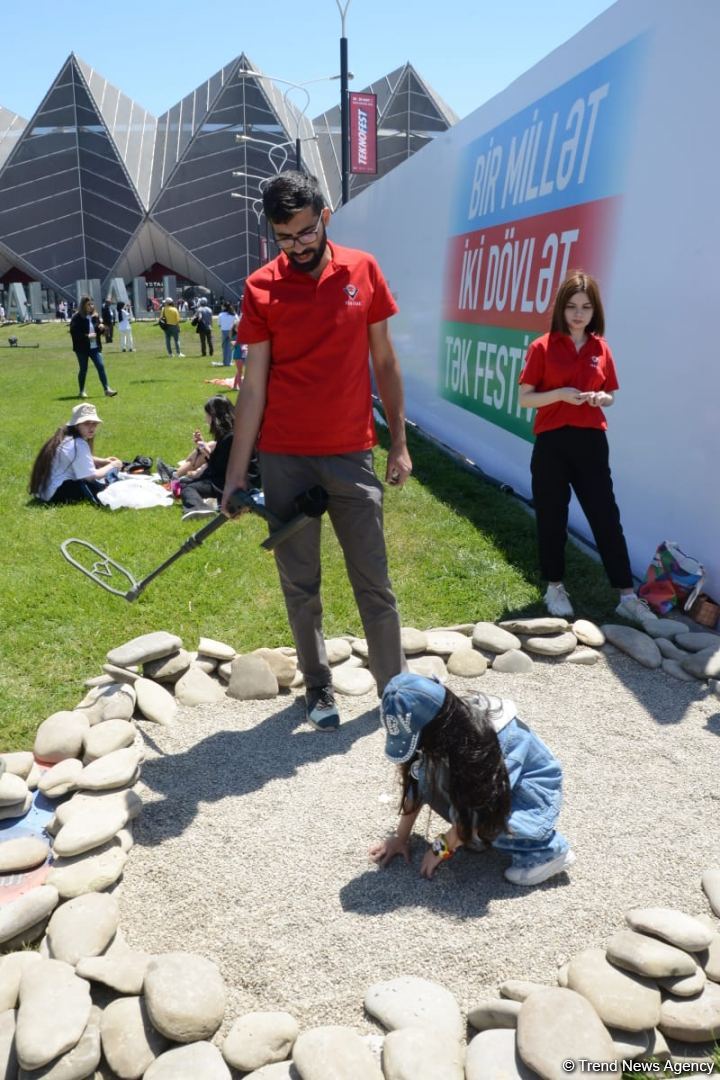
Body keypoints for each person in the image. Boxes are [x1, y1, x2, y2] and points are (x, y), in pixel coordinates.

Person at [222, 171, 412, 732]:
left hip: (352, 453)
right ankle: (318, 685)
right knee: (300, 584)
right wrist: (235, 475)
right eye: (285, 237)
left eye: (306, 232)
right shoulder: (260, 287)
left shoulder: (363, 270)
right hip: (285, 458)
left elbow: (385, 362)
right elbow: (253, 387)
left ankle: (395, 691)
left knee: (374, 582)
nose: (298, 246)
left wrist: (399, 444)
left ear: (325, 216)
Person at [518, 271, 656, 626]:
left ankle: (627, 596)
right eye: (572, 306)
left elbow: (611, 395)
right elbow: (525, 398)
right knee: (552, 516)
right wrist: (560, 394)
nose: (578, 314)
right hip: (552, 443)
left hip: (591, 443)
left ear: (595, 310)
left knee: (605, 516)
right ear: (560, 309)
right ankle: (554, 587)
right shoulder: (542, 346)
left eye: (586, 307)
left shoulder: (600, 348)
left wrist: (600, 398)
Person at [370, 674, 574, 887]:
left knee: (486, 823)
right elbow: (416, 779)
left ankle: (548, 852)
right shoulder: (448, 720)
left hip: (531, 795)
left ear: (434, 729)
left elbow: (482, 806)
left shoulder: (488, 741)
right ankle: (473, 835)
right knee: (426, 771)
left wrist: (441, 847)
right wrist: (400, 837)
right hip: (491, 784)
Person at [29, 403, 122, 505]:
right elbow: (91, 476)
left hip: (46, 491)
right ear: (77, 425)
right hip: (58, 493)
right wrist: (113, 465)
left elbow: (78, 457)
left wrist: (103, 461)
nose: (91, 427)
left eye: (94, 423)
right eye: (87, 423)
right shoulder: (78, 444)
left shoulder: (65, 437)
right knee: (107, 486)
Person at [180, 396, 237, 521]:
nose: (206, 419)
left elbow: (218, 468)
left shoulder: (229, 437)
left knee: (188, 488)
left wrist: (202, 471)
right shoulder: (231, 434)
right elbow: (220, 462)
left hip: (227, 483)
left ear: (214, 416)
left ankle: (198, 508)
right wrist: (203, 447)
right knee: (185, 483)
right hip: (227, 479)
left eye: (207, 415)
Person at [69, 297, 117, 398]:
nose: (91, 306)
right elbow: (74, 333)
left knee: (100, 366)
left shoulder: (95, 316)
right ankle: (81, 391)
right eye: (89, 304)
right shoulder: (77, 317)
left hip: (95, 347)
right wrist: (87, 336)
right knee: (83, 369)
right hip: (82, 348)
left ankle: (107, 389)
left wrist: (102, 328)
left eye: (92, 304)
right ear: (83, 305)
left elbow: (99, 332)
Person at [217, 301, 238, 366]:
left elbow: (219, 324)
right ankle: (229, 362)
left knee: (224, 347)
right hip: (233, 332)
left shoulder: (221, 315)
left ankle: (225, 362)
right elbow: (238, 322)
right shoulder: (234, 314)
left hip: (224, 331)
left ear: (224, 307)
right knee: (231, 347)